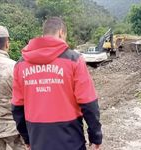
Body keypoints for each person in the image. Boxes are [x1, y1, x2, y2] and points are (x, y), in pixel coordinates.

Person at [11, 17, 102, 150]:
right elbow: (89, 103)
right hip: (71, 140)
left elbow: (17, 108)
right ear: (61, 33)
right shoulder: (74, 60)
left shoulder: (20, 65)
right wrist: (95, 136)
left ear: (44, 34)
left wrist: (27, 138)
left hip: (38, 138)